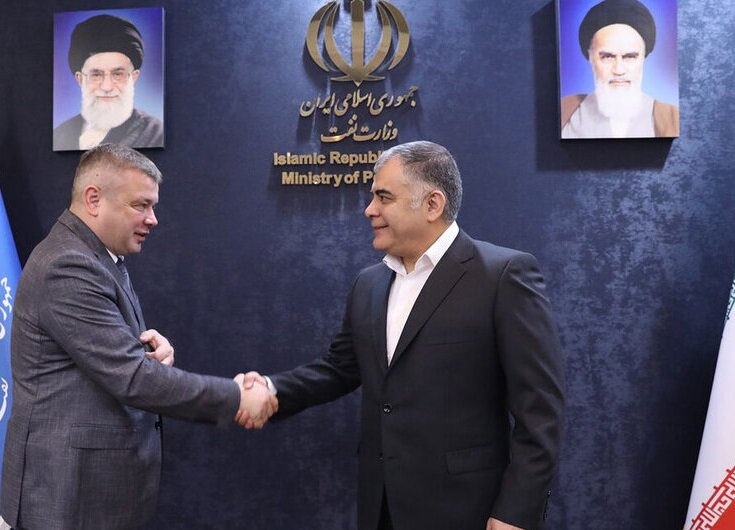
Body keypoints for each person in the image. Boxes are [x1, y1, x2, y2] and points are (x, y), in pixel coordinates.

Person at [248, 141, 565, 529]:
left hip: (469, 511)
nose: (369, 210)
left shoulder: (503, 276)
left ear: (432, 204)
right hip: (381, 508)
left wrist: (516, 512)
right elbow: (339, 369)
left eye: (384, 197)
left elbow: (540, 411)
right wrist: (270, 390)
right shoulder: (368, 284)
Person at [0, 143, 277, 530]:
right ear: (93, 199)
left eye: (153, 206)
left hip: (91, 492)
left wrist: (148, 351)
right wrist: (236, 397)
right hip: (66, 497)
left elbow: (105, 359)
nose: (153, 219)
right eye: (140, 205)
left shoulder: (98, 256)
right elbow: (131, 378)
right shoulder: (68, 264)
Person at [560, 0, 679, 138]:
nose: (619, 70)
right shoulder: (564, 112)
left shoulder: (672, 118)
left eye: (630, 57)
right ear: (591, 57)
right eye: (607, 57)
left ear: (643, 57)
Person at [53, 14, 164, 151]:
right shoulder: (60, 135)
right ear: (80, 79)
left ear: (134, 77)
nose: (107, 87)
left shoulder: (155, 133)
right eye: (96, 75)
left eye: (118, 74)